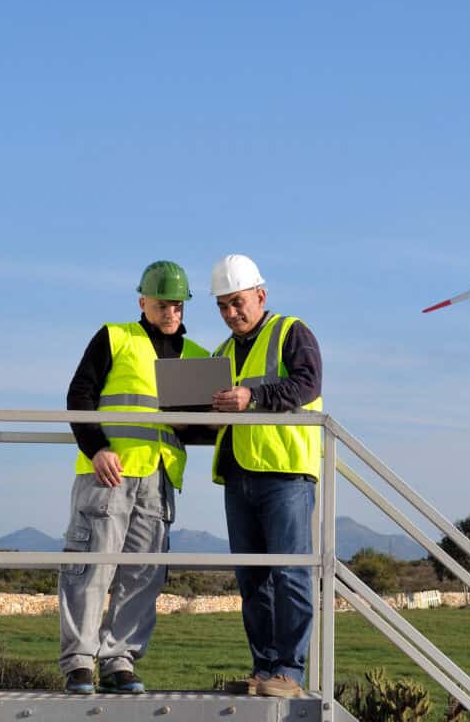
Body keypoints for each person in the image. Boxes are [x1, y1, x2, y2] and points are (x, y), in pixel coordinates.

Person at [59, 260, 209, 694]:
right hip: (109, 472)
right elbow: (79, 395)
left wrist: (191, 426)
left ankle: (119, 659)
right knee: (91, 568)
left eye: (178, 306)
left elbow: (207, 425)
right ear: (143, 301)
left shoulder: (197, 356)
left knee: (144, 573)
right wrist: (96, 447)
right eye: (163, 305)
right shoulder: (114, 337)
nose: (171, 314)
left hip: (159, 479)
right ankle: (80, 662)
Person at [208, 254, 323, 699]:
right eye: (222, 306)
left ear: (261, 295)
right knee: (252, 580)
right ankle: (264, 668)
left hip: (286, 472)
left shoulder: (291, 331)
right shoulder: (220, 352)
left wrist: (251, 397)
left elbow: (307, 384)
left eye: (237, 302)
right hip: (238, 474)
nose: (231, 313)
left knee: (290, 573)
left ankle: (290, 672)